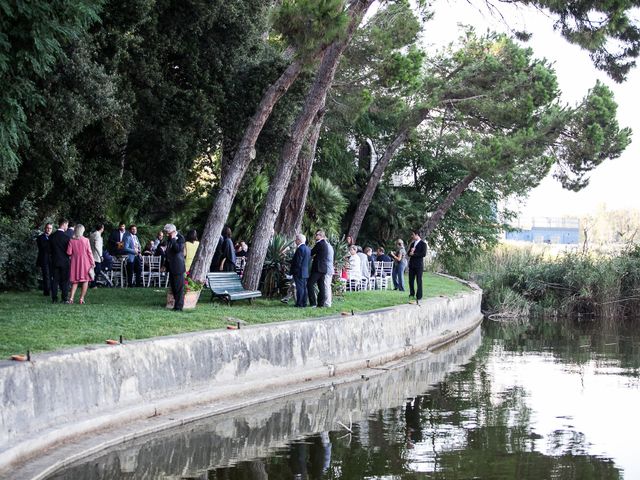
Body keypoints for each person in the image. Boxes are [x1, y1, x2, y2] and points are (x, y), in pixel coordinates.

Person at [66, 224, 95, 304]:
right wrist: (92, 262)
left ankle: (71, 298)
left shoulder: (71, 240)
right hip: (85, 263)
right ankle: (81, 299)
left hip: (75, 263)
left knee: (75, 281)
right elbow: (89, 253)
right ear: (82, 231)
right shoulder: (86, 240)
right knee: (85, 281)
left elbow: (69, 252)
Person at [164, 223, 185, 311]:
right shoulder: (169, 239)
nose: (166, 234)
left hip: (178, 266)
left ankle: (179, 307)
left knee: (179, 288)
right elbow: (168, 252)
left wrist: (173, 239)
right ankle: (175, 305)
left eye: (168, 233)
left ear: (173, 231)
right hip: (171, 266)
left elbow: (177, 249)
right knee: (173, 287)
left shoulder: (180, 238)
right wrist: (165, 265)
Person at [49, 218, 71, 303]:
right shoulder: (66, 237)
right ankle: (64, 298)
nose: (67, 227)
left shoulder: (52, 236)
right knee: (65, 281)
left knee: (55, 280)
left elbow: (49, 250)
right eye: (67, 225)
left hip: (54, 261)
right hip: (65, 261)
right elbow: (69, 251)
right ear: (64, 224)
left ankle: (54, 299)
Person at [308, 230, 330, 308]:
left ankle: (313, 303)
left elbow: (311, 252)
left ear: (321, 236)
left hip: (318, 268)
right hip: (323, 268)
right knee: (321, 287)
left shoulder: (320, 243)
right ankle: (321, 304)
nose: (315, 236)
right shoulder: (325, 244)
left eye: (317, 235)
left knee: (309, 284)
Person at [290, 233, 311, 307]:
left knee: (300, 288)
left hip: (299, 272)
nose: (295, 241)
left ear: (299, 240)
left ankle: (299, 303)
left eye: (296, 239)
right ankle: (304, 303)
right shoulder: (308, 249)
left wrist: (294, 271)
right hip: (305, 272)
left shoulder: (300, 249)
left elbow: (297, 262)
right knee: (304, 288)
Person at [407, 229, 427, 301]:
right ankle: (411, 294)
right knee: (411, 280)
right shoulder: (412, 244)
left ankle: (419, 296)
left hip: (419, 265)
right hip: (412, 265)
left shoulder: (423, 244)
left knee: (419, 280)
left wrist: (414, 254)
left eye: (412, 234)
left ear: (417, 235)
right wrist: (410, 252)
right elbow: (408, 253)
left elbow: (423, 254)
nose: (411, 236)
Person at [36, 223, 53, 296]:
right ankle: (46, 292)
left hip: (52, 259)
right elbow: (44, 248)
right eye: (47, 228)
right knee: (46, 275)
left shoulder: (53, 237)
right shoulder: (40, 238)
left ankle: (52, 290)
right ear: (45, 228)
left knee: (51, 275)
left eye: (50, 228)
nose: (49, 230)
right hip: (44, 259)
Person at [89, 224, 104, 288]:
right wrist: (100, 255)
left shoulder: (92, 234)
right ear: (101, 228)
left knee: (93, 271)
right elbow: (96, 246)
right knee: (96, 271)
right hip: (96, 256)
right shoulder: (97, 235)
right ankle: (93, 285)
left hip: (92, 255)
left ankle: (92, 283)